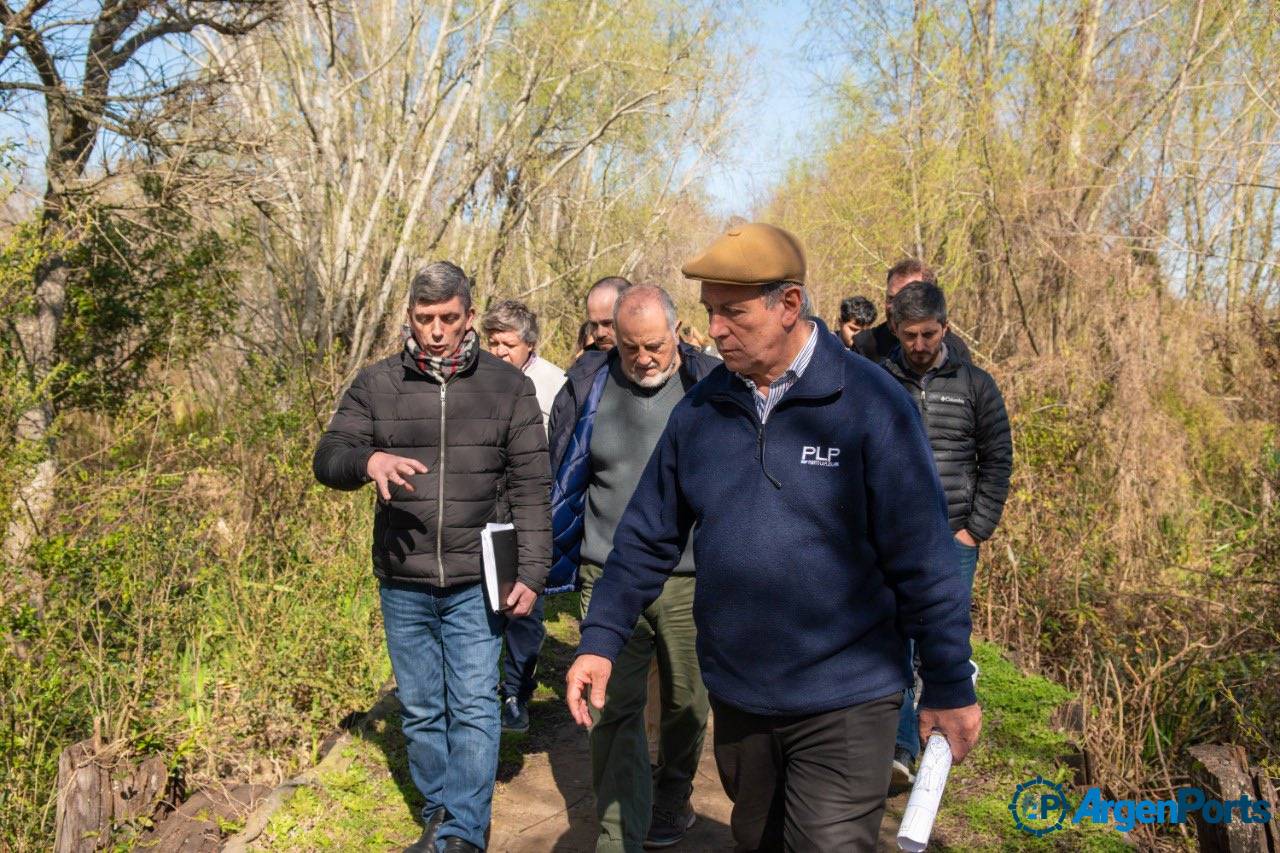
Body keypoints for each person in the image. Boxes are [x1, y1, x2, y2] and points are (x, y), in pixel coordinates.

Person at [565, 223, 982, 851]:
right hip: (741, 699)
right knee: (758, 838)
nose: (715, 330)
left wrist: (948, 682)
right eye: (709, 313)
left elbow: (924, 559)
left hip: (848, 695)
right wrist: (600, 638)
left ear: (789, 304)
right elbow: (647, 538)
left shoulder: (870, 405)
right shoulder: (699, 413)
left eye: (732, 312)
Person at [313, 262, 551, 853]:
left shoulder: (508, 387)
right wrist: (368, 462)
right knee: (420, 708)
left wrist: (534, 571)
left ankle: (463, 831)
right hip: (403, 574)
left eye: (448, 318)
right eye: (425, 319)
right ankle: (440, 806)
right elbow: (328, 456)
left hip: (477, 576)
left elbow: (531, 489)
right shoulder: (377, 384)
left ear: (469, 316)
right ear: (411, 318)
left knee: (473, 701)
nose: (437, 330)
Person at [546, 285, 720, 851]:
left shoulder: (710, 386)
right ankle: (618, 834)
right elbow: (561, 475)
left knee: (687, 703)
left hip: (689, 576)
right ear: (610, 339)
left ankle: (672, 796)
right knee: (612, 708)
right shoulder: (587, 387)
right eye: (629, 348)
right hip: (607, 574)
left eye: (654, 345)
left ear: (677, 332)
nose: (644, 358)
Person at [879, 280, 1012, 793]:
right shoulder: (875, 381)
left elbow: (997, 461)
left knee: (938, 640)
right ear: (894, 329)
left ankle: (931, 733)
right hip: (890, 537)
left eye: (928, 334)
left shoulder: (977, 386)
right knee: (894, 638)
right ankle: (899, 748)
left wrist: (973, 531)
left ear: (945, 329)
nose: (918, 344)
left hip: (953, 538)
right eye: (909, 335)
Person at [480, 299, 566, 734]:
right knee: (483, 607)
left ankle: (516, 691)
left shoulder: (554, 384)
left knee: (525, 606)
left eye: (507, 344)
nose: (498, 351)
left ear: (529, 344)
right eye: (491, 342)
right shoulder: (476, 379)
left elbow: (566, 450)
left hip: (532, 511)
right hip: (483, 513)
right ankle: (484, 691)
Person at [853, 259, 971, 363]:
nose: (893, 306)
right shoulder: (865, 346)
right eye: (890, 298)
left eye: (904, 298)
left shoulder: (954, 350)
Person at [584, 276, 631, 353]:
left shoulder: (648, 361)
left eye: (607, 323)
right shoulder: (585, 363)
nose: (600, 334)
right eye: (594, 325)